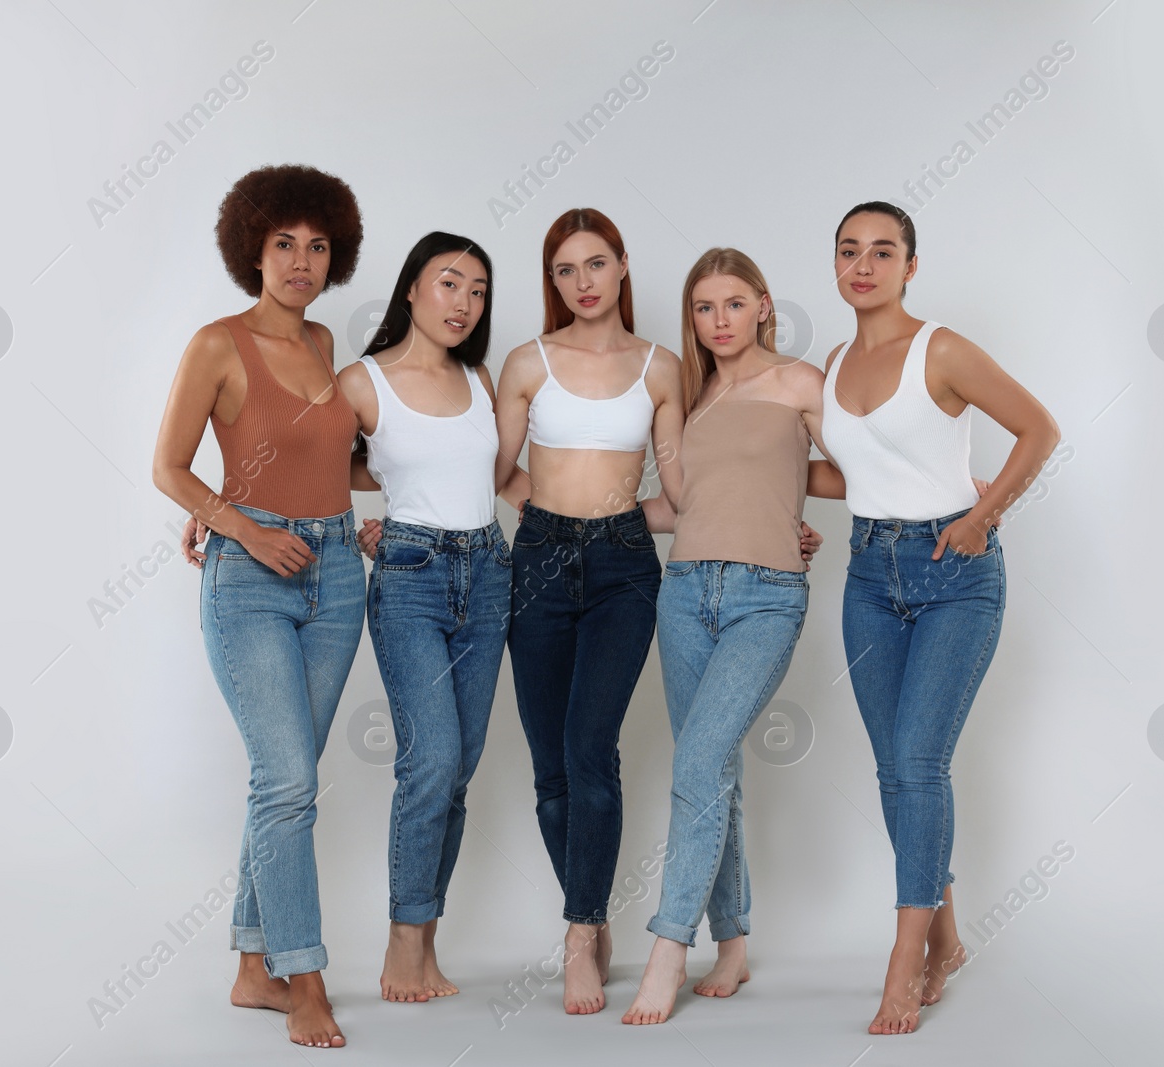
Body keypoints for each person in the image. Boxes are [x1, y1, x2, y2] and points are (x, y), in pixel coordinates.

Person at [810, 200, 1060, 1034]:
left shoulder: (940, 348)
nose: (865, 265)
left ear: (911, 266)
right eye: (850, 251)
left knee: (918, 761)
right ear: (836, 265)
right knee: (895, 769)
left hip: (955, 572)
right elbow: (860, 474)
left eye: (884, 251)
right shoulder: (834, 362)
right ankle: (947, 938)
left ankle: (903, 960)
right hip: (868, 573)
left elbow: (1038, 428)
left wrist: (983, 517)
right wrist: (764, 484)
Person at [155, 163, 369, 1049]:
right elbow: (169, 467)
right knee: (287, 782)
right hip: (252, 579)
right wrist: (236, 528)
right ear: (253, 248)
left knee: (285, 781)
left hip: (337, 576)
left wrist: (373, 521)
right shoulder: (218, 343)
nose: (301, 261)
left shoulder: (326, 348)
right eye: (284, 243)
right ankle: (304, 977)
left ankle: (251, 968)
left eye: (318, 246)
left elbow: (336, 464)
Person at [622, 248, 826, 1026]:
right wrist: (588, 513)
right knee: (716, 772)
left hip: (766, 597)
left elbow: (860, 460)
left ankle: (668, 947)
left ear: (764, 306)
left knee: (699, 760)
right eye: (705, 308)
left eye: (734, 304)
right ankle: (732, 941)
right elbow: (680, 505)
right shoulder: (694, 397)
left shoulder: (800, 382)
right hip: (683, 593)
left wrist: (792, 501)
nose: (719, 321)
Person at [489, 208, 684, 1015]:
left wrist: (768, 514)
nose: (583, 282)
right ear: (553, 281)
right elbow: (497, 471)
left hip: (624, 570)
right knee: (548, 768)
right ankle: (592, 909)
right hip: (537, 558)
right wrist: (558, 523)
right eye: (566, 270)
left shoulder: (662, 366)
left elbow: (681, 495)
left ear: (623, 265)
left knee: (587, 742)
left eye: (596, 263)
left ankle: (579, 929)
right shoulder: (527, 362)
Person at [339, 232, 524, 1004]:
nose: (464, 303)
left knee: (459, 767)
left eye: (478, 291)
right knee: (430, 759)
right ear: (412, 288)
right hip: (410, 579)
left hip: (488, 574)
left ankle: (427, 943)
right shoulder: (361, 381)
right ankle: (401, 943)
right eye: (450, 283)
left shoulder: (481, 379)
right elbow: (314, 463)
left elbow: (512, 480)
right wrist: (356, 519)